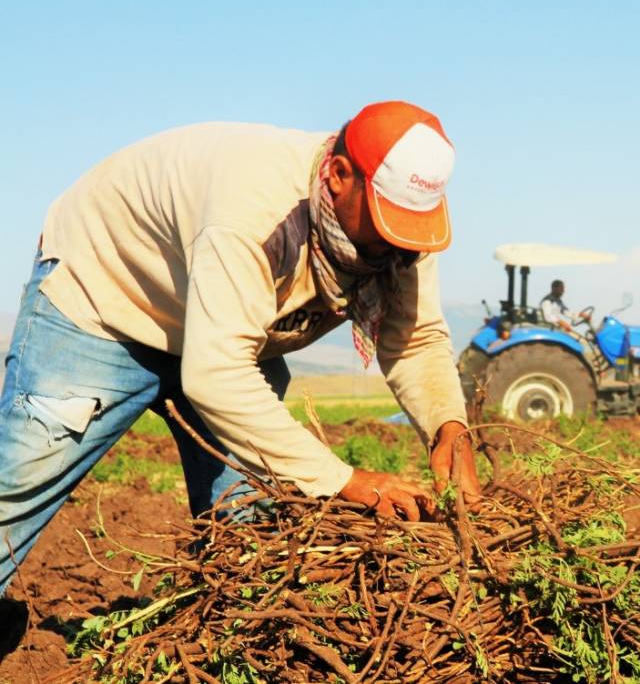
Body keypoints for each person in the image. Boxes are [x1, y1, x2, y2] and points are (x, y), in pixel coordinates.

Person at [0, 101, 482, 603]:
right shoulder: (254, 209)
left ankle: (227, 639)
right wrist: (345, 480)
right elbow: (218, 374)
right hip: (107, 297)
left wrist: (450, 427)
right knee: (16, 485)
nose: (397, 244)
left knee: (250, 529)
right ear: (340, 175)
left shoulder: (402, 233)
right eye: (387, 223)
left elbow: (415, 339)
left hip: (225, 329)